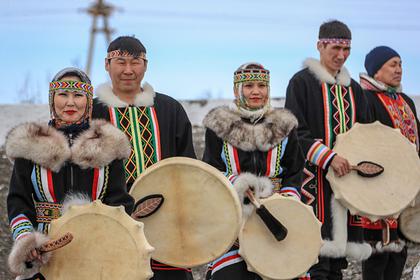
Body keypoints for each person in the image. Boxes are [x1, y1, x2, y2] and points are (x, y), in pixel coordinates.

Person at [6, 67, 134, 280]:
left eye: (78, 95)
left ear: (88, 101)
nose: (70, 103)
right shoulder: (29, 146)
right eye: (63, 95)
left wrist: (100, 231)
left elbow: (120, 202)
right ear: (52, 99)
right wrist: (27, 240)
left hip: (95, 253)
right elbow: (18, 201)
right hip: (43, 254)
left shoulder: (108, 147)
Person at [92, 36, 196, 280]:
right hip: (110, 227)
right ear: (107, 64)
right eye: (120, 62)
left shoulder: (170, 110)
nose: (128, 70)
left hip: (168, 225)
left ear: (145, 65)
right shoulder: (93, 113)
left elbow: (188, 168)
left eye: (136, 62)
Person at [285, 20, 372, 279]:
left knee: (337, 265)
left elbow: (366, 134)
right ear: (320, 46)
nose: (341, 56)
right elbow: (294, 131)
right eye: (335, 48)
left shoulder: (354, 89)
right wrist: (328, 157)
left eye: (346, 50)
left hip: (346, 188)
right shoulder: (301, 83)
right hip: (312, 185)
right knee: (314, 260)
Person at [202, 62, 304, 280]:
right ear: (236, 90)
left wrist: (288, 199)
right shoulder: (219, 126)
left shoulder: (284, 125)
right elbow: (210, 169)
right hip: (233, 214)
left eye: (261, 85)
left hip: (277, 211)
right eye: (248, 86)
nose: (256, 91)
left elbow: (295, 170)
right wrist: (237, 183)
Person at [359, 46, 420, 280]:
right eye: (393, 64)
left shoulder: (405, 101)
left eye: (401, 64)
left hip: (404, 191)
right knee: (377, 254)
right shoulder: (366, 99)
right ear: (376, 70)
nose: (399, 70)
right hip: (377, 189)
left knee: (399, 253)